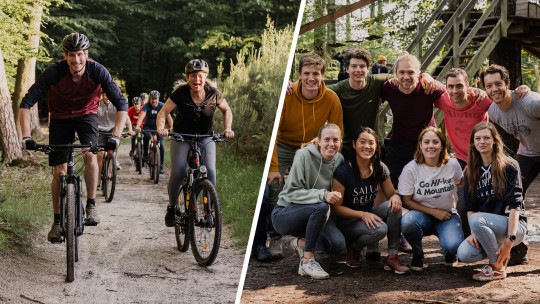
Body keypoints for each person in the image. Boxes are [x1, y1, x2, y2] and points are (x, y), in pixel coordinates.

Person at [19, 33, 128, 241]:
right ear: (65, 56)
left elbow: (121, 104)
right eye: (71, 55)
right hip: (59, 118)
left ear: (86, 54)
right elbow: (25, 104)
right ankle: (57, 221)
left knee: (90, 154)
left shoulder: (97, 71)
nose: (76, 60)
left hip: (87, 115)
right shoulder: (54, 72)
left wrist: (115, 135)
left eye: (79, 54)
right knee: (59, 170)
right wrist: (25, 136)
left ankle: (91, 205)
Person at [266, 53, 344, 259]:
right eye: (307, 73)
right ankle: (275, 237)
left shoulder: (331, 98)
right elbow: (274, 134)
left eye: (316, 74)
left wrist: (333, 159)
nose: (311, 78)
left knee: (320, 186)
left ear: (322, 76)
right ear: (299, 75)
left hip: (314, 147)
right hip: (285, 144)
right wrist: (274, 166)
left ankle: (318, 228)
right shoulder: (288, 95)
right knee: (276, 184)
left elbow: (338, 133)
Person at [436, 68, 529, 237]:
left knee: (500, 195)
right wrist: (425, 76)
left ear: (468, 86)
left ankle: (511, 236)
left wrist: (522, 90)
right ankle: (468, 239)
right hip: (464, 160)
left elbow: (503, 97)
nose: (454, 91)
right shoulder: (442, 99)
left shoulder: (482, 100)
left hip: (488, 157)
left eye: (459, 86)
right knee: (465, 200)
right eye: (450, 86)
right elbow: (424, 84)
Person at [155, 59, 234, 227]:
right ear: (187, 77)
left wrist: (228, 128)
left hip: (205, 137)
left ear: (205, 77)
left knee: (210, 171)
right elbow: (163, 112)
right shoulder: (180, 93)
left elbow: (227, 110)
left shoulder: (214, 93)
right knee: (179, 171)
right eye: (192, 76)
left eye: (200, 76)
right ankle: (172, 206)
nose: (196, 80)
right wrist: (162, 128)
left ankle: (208, 212)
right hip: (182, 136)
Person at [481, 64, 540, 265]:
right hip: (528, 153)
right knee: (510, 196)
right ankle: (516, 248)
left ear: (508, 83)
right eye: (489, 86)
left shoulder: (531, 102)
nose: (494, 89)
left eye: (498, 83)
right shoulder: (493, 112)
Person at [272, 123, 346, 280]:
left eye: (336, 140)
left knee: (337, 244)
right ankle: (307, 261)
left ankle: (301, 243)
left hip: (317, 214)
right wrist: (323, 194)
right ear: (318, 141)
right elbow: (292, 192)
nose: (331, 144)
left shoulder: (339, 159)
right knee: (321, 205)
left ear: (340, 142)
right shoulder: (303, 155)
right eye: (327, 139)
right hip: (285, 214)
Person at [332, 127, 410, 274]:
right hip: (347, 222)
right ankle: (354, 247)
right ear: (354, 144)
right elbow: (336, 208)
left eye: (371, 143)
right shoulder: (343, 172)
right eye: (362, 142)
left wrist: (395, 196)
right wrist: (362, 214)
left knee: (395, 206)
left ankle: (392, 256)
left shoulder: (379, 167)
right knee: (380, 229)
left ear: (376, 146)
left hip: (368, 217)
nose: (367, 146)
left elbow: (391, 195)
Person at [457, 122, 527, 281]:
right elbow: (470, 206)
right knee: (464, 254)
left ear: (495, 140)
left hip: (513, 228)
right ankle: (502, 255)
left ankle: (497, 267)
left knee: (476, 219)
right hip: (484, 227)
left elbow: (515, 206)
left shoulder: (510, 165)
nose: (482, 141)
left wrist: (510, 240)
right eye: (478, 138)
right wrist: (474, 231)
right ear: (473, 143)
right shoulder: (470, 170)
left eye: (486, 138)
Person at [398, 127, 464, 272]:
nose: (431, 146)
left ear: (442, 146)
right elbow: (406, 201)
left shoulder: (452, 164)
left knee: (453, 245)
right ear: (420, 145)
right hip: (421, 217)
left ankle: (450, 252)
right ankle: (418, 253)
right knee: (408, 222)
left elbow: (461, 183)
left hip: (447, 215)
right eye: (426, 142)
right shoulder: (411, 169)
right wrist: (433, 212)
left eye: (435, 142)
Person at [135, 90, 173, 174]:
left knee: (161, 146)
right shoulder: (146, 106)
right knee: (147, 136)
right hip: (148, 127)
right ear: (150, 99)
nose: (154, 100)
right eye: (152, 98)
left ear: (158, 98)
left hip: (159, 128)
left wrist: (171, 127)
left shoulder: (162, 105)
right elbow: (142, 116)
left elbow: (169, 117)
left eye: (155, 99)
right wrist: (138, 126)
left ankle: (161, 165)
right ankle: (145, 153)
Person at [96, 92, 133, 174]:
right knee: (100, 154)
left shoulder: (116, 105)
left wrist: (130, 130)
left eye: (109, 95)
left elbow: (126, 119)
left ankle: (114, 161)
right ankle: (98, 178)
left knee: (113, 149)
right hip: (100, 131)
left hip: (113, 131)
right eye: (105, 95)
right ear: (102, 95)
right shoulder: (97, 105)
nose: (107, 97)